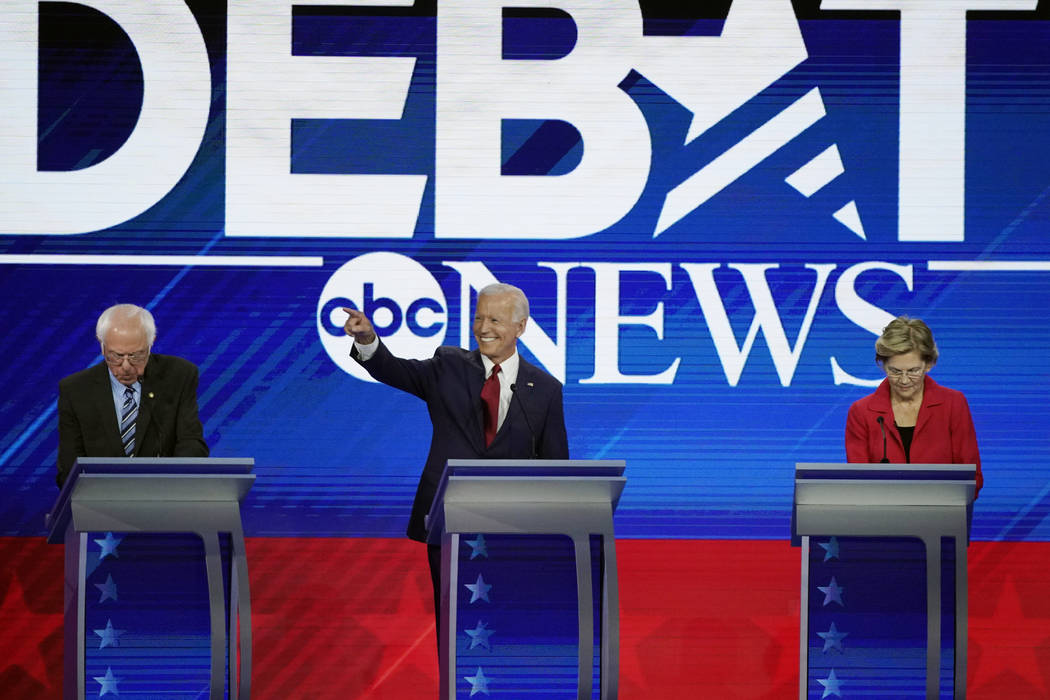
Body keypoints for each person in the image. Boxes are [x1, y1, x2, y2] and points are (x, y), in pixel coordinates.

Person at [342, 282, 569, 631]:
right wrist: (367, 340)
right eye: (478, 318)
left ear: (520, 327)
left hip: (514, 529)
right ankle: (451, 687)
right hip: (449, 523)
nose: (483, 328)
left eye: (494, 319)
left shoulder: (545, 390)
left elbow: (557, 470)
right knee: (455, 626)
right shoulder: (448, 365)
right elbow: (392, 368)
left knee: (508, 627)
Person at [57, 304, 209, 486]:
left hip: (164, 497)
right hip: (101, 502)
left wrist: (172, 486)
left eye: (136, 356)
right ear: (102, 345)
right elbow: (69, 468)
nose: (126, 366)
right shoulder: (76, 390)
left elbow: (192, 443)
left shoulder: (179, 376)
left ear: (151, 342)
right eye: (116, 356)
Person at [845, 316, 982, 493]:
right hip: (881, 516)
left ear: (929, 364)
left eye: (913, 371)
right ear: (883, 365)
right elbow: (858, 482)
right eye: (894, 371)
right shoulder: (861, 412)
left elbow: (972, 477)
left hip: (941, 514)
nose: (903, 380)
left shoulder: (953, 404)